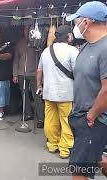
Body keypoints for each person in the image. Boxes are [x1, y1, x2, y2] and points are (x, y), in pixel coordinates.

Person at [66, 1, 107, 179]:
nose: (75, 25)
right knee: (97, 159)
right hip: (81, 117)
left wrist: (92, 114)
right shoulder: (85, 46)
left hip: (94, 120)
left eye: (77, 21)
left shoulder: (105, 48)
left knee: (78, 169)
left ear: (87, 22)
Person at [37, 25, 79, 159]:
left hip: (49, 93)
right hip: (66, 94)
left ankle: (52, 145)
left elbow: (39, 71)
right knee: (66, 121)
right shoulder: (72, 51)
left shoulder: (46, 51)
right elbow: (78, 72)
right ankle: (65, 149)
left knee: (50, 120)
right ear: (68, 36)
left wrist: (39, 86)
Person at [13, 26, 44, 128]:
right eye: (25, 30)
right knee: (24, 95)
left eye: (29, 30)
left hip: (34, 74)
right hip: (22, 73)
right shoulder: (20, 43)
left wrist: (40, 74)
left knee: (37, 96)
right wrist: (15, 74)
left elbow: (40, 58)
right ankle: (28, 114)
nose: (27, 32)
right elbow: (16, 59)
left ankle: (40, 118)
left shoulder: (36, 41)